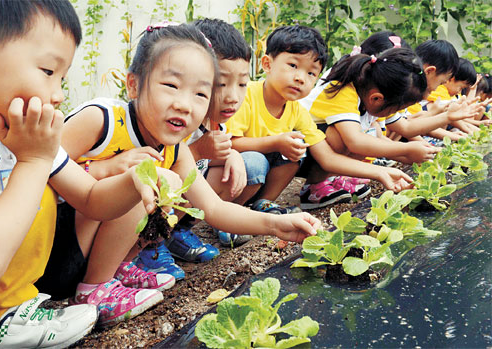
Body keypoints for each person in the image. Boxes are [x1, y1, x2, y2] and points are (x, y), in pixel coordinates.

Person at [43, 22, 322, 325]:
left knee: (158, 182)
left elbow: (213, 208)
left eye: (201, 94)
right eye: (171, 86)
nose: (184, 104)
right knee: (144, 178)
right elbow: (34, 164)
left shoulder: (175, 148)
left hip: (79, 259)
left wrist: (277, 225)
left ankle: (115, 268)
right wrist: (100, 170)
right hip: (48, 256)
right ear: (133, 84)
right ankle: (95, 290)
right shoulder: (102, 120)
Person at [0, 1, 172, 346]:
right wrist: (32, 162)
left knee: (40, 187)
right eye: (48, 72)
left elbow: (91, 199)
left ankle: (0, 322)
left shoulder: (18, 128)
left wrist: (137, 180)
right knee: (34, 177)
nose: (58, 95)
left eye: (63, 78)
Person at [225, 25, 414, 211]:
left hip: (264, 169)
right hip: (232, 168)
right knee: (254, 161)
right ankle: (230, 212)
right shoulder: (246, 94)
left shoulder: (296, 110)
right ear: (267, 64)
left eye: (311, 73)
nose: (301, 78)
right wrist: (276, 142)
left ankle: (262, 204)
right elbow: (231, 144)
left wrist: (382, 173)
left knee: (294, 155)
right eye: (293, 65)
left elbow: (327, 158)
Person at [135, 18, 255, 277]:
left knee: (233, 167)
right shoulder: (164, 124)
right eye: (221, 84)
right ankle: (145, 249)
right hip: (131, 211)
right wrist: (200, 151)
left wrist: (231, 153)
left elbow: (211, 202)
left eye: (242, 84)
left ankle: (175, 234)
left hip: (174, 205)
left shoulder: (208, 125)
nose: (232, 96)